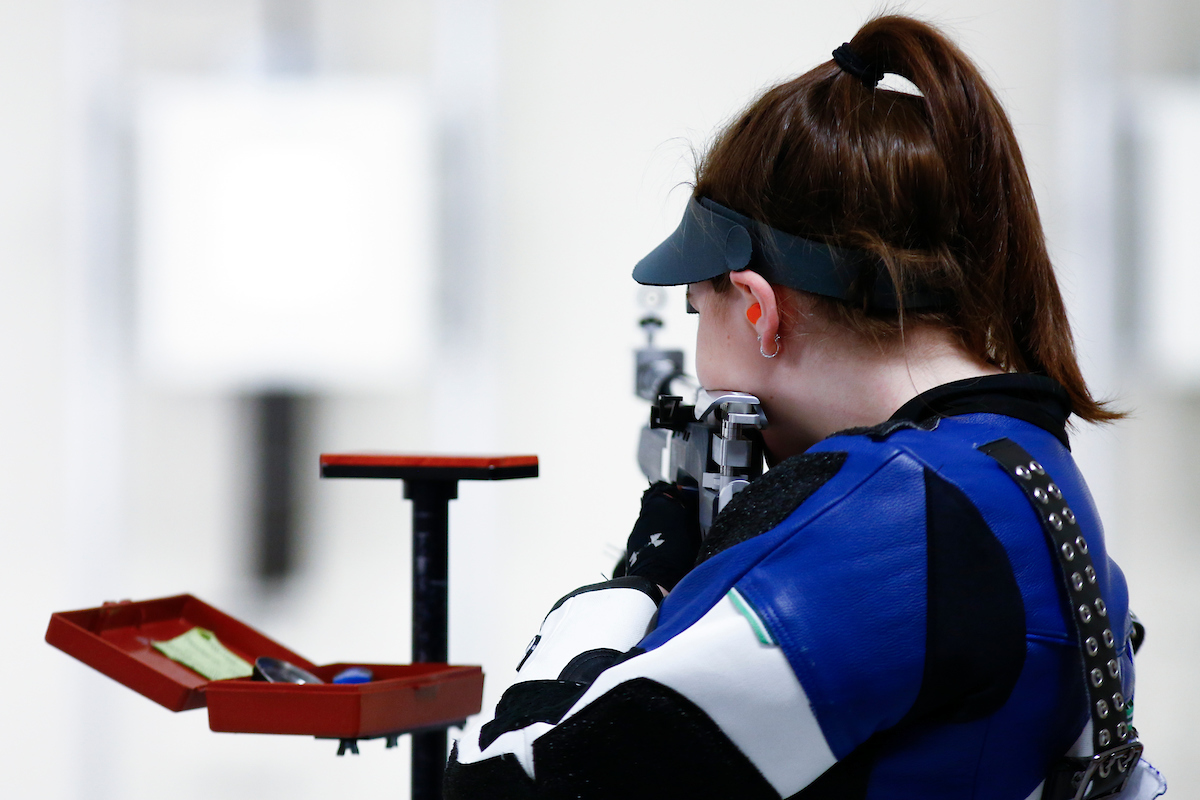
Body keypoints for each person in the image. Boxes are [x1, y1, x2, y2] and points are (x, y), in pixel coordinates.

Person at [443, 14, 1166, 800]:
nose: (698, 359)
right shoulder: (1022, 466)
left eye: (697, 306)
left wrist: (637, 582)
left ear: (758, 308)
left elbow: (505, 786)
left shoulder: (884, 520)